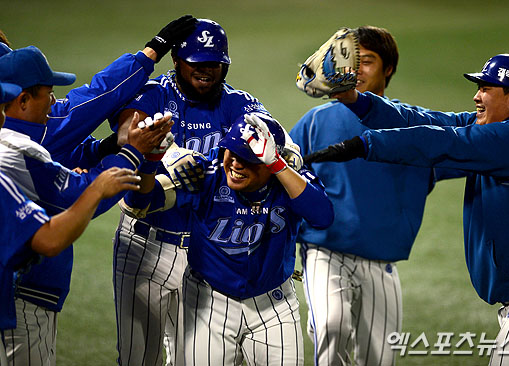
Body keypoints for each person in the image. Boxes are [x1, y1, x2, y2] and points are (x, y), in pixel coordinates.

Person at [305, 53, 509, 365]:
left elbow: (440, 142)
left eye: (486, 88)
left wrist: (363, 145)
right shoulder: (508, 127)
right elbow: (424, 120)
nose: (476, 95)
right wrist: (356, 100)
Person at [110, 18, 276, 366]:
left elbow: (271, 141)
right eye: (196, 63)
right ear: (176, 61)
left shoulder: (238, 103)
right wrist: (167, 154)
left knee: (199, 359)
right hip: (146, 244)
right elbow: (127, 134)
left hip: (206, 250)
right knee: (140, 358)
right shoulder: (156, 93)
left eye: (214, 63)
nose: (206, 71)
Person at [290, 25, 457, 365]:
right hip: (325, 251)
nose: (357, 70)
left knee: (380, 357)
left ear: (389, 68)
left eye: (367, 61)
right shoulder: (316, 121)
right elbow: (286, 176)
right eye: (351, 61)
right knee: (330, 326)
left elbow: (466, 156)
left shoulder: (412, 128)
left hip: (382, 262)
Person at [0, 45, 173, 365]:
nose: (54, 103)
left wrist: (106, 151)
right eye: (48, 94)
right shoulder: (12, 152)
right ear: (20, 100)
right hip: (18, 299)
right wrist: (126, 159)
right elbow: (53, 230)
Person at [120, 113, 334, 365]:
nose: (236, 164)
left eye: (249, 158)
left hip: (274, 303)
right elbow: (140, 202)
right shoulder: (206, 175)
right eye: (231, 153)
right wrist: (150, 162)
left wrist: (277, 165)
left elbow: (323, 216)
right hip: (209, 301)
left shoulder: (289, 179)